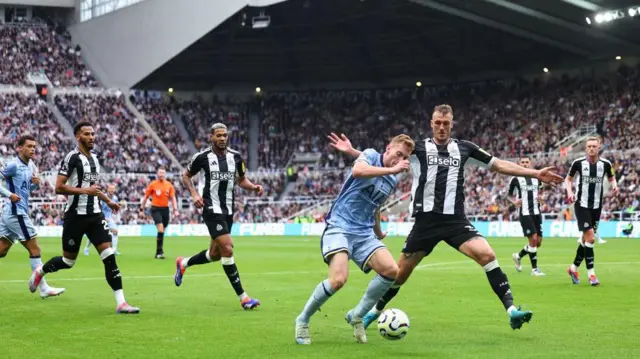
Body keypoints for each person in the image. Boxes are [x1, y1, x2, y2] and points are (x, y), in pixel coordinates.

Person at [330, 104, 563, 330]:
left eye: (446, 123)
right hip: (426, 222)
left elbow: (498, 165)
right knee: (399, 275)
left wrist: (535, 173)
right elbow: (388, 157)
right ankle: (373, 312)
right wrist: (352, 152)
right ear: (431, 124)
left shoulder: (465, 148)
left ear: (452, 125)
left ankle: (512, 311)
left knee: (488, 255)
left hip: (455, 221)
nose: (442, 127)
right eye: (438, 123)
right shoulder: (418, 149)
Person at [294, 134, 415, 345]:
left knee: (392, 271)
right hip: (339, 226)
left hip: (364, 233)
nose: (400, 159)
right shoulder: (370, 156)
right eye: (398, 154)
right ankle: (303, 319)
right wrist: (392, 169)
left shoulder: (392, 179)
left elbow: (375, 205)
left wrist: (378, 230)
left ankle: (356, 315)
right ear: (387, 149)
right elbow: (358, 171)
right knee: (338, 280)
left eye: (404, 157)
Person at [28, 122, 139, 314]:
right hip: (75, 217)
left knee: (109, 256)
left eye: (93, 134)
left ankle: (121, 303)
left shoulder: (95, 159)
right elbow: (59, 187)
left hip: (95, 216)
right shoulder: (71, 158)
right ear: (78, 137)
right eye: (87, 134)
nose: (92, 137)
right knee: (68, 261)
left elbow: (93, 188)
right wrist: (84, 190)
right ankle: (40, 271)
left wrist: (109, 201)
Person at [174, 123, 262, 310]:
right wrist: (194, 194)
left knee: (215, 254)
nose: (222, 138)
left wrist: (253, 187)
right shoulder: (202, 157)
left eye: (225, 135)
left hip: (228, 210)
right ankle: (244, 298)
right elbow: (186, 176)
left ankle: (183, 263)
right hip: (211, 209)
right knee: (228, 249)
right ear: (211, 137)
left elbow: (241, 180)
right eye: (219, 135)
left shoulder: (236, 157)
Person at [0, 135, 65, 298]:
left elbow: (25, 190)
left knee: (2, 250)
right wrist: (9, 195)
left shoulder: (29, 167)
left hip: (12, 212)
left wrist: (35, 184)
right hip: (16, 213)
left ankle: (43, 287)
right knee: (35, 249)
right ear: (19, 148)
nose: (32, 149)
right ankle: (43, 288)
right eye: (29, 146)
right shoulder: (13, 165)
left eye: (34, 146)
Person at [565, 137, 618, 286]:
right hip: (581, 205)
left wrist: (615, 186)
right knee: (591, 238)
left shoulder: (606, 164)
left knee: (585, 240)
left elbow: (612, 177)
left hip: (596, 206)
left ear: (600, 147)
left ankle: (573, 268)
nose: (592, 148)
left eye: (594, 146)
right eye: (589, 146)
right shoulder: (578, 163)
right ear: (585, 148)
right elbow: (568, 179)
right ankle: (592, 275)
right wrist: (570, 193)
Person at [507, 156, 546, 276]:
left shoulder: (537, 177)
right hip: (524, 213)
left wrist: (542, 198)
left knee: (538, 242)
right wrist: (514, 202)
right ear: (519, 164)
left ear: (530, 163)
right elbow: (508, 195)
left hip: (536, 212)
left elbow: (541, 191)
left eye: (526, 162)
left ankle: (518, 256)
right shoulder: (515, 178)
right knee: (533, 239)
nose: (524, 164)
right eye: (522, 162)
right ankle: (534, 270)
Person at [141, 167, 178, 259]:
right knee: (160, 229)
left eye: (163, 173)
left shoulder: (169, 185)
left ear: (165, 174)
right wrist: (141, 209)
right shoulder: (153, 184)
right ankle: (159, 252)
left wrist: (175, 209)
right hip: (155, 208)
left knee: (162, 230)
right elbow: (145, 197)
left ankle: (158, 252)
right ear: (157, 174)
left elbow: (173, 198)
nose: (161, 174)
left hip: (165, 209)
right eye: (160, 173)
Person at [84, 184, 120, 256]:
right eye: (110, 189)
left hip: (109, 218)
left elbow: (113, 208)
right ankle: (86, 248)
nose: (112, 190)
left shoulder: (115, 198)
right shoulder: (103, 197)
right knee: (94, 233)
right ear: (107, 189)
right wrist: (103, 217)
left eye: (113, 189)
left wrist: (115, 212)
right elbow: (98, 207)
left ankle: (113, 250)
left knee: (115, 232)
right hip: (100, 216)